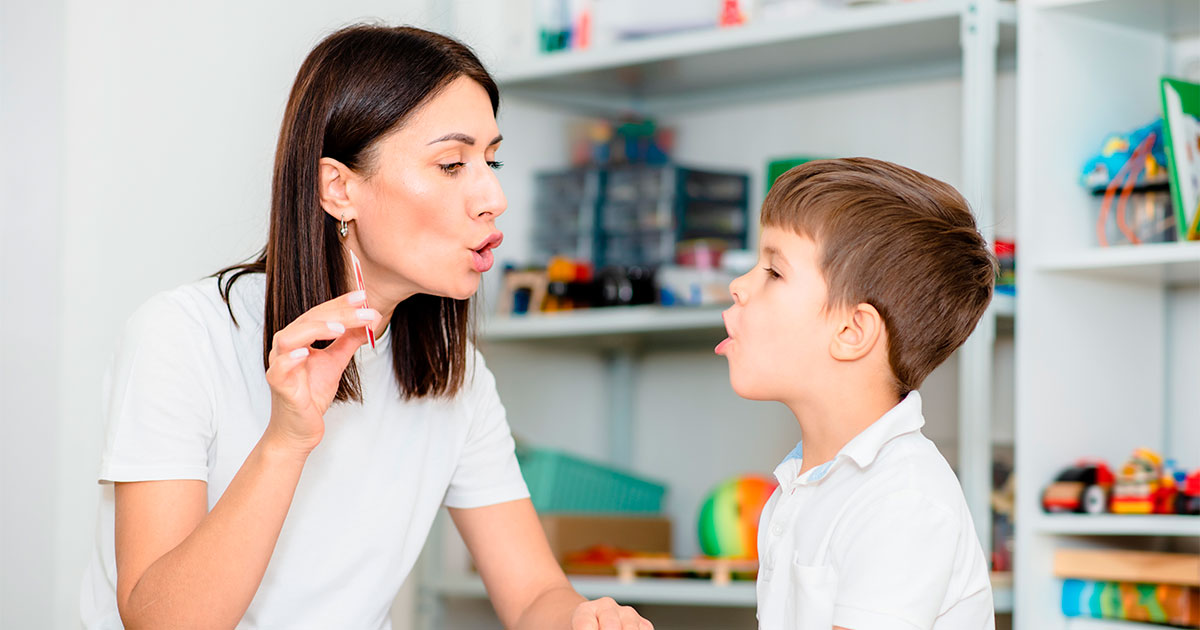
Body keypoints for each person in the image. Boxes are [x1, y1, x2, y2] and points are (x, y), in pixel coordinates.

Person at [80, 24, 653, 630]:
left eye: (493, 158)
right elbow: (163, 623)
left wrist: (584, 620)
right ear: (340, 188)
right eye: (452, 163)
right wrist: (287, 440)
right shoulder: (183, 336)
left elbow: (534, 593)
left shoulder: (456, 375)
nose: (493, 195)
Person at [715, 158, 996, 629]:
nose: (739, 286)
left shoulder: (904, 498)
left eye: (774, 271)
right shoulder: (798, 488)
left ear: (851, 331)